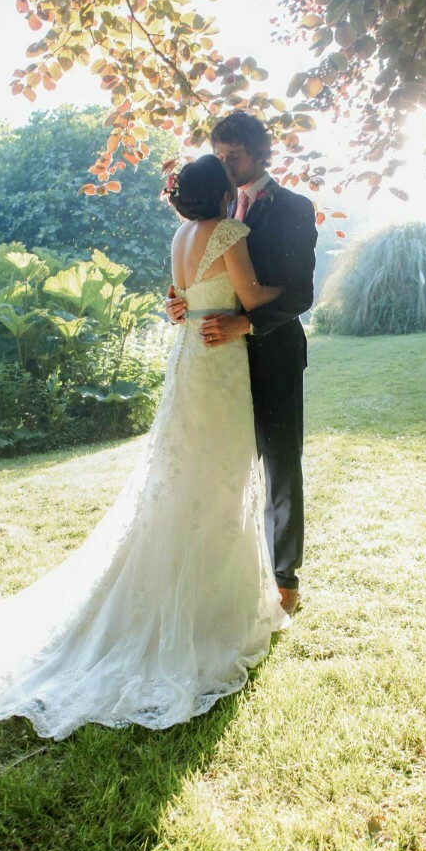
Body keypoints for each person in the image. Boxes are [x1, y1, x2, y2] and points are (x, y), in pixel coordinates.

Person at [0, 155, 289, 739]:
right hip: (218, 361)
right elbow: (250, 297)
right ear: (220, 191)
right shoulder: (228, 232)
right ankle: (208, 614)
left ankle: (194, 595)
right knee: (216, 475)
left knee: (186, 475)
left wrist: (190, 305)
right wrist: (291, 290)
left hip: (190, 357)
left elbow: (181, 298)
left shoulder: (180, 235)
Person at [166, 112, 318, 617]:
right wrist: (179, 303)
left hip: (273, 353)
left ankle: (284, 580)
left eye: (234, 156)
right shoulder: (211, 211)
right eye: (219, 156)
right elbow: (198, 281)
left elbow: (300, 293)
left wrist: (246, 324)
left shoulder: (293, 208)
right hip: (217, 363)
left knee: (280, 466)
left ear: (259, 154)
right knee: (221, 466)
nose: (225, 164)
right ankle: (228, 574)